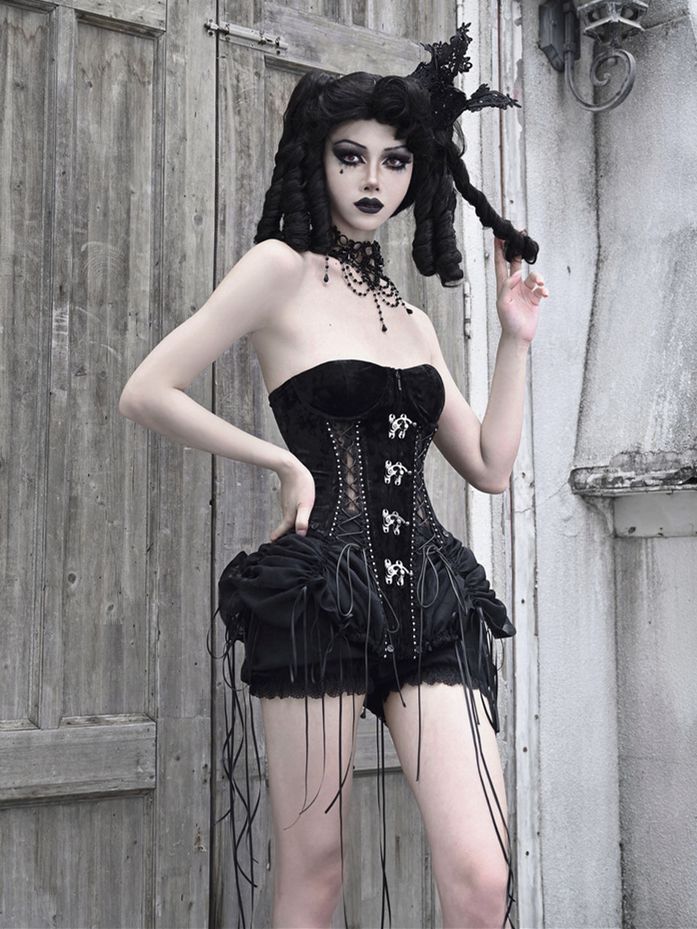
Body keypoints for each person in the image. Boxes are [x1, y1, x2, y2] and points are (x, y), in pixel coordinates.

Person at [119, 23, 549, 929]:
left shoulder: (411, 320)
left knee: (481, 877)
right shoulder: (276, 270)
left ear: (415, 174)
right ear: (316, 159)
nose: (371, 179)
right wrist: (278, 458)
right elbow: (147, 390)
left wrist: (514, 338)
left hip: (429, 598)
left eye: (395, 161)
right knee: (315, 875)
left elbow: (488, 465)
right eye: (351, 156)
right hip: (320, 595)